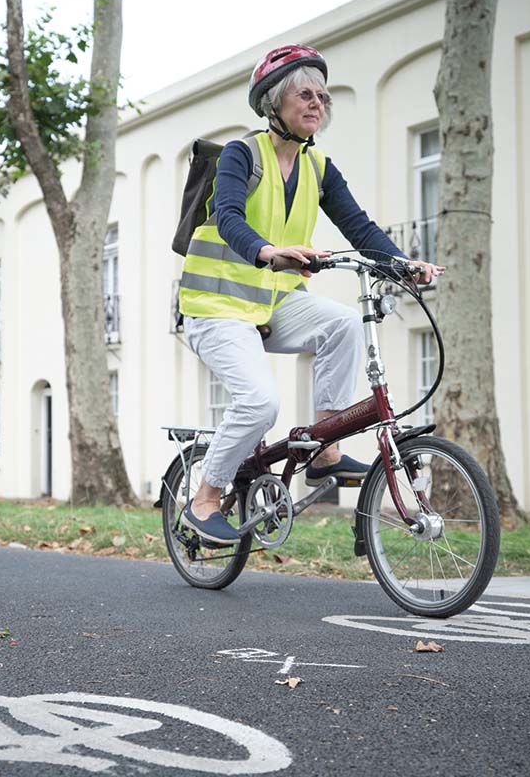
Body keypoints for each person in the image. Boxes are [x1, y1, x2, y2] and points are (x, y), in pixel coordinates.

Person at [177, 44, 444, 544]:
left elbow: (359, 227)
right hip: (215, 308)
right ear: (273, 103)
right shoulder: (242, 154)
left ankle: (325, 451)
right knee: (259, 403)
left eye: (323, 96)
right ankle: (205, 499)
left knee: (342, 323)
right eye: (305, 94)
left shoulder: (318, 166)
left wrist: (404, 266)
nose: (317, 103)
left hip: (274, 302)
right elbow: (230, 217)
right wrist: (268, 252)